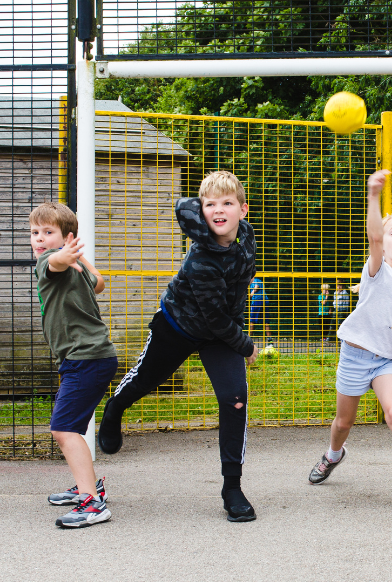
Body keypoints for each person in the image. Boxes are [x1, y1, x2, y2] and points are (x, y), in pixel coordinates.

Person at [96, 171, 261, 523]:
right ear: (201, 211)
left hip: (221, 333)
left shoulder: (246, 237)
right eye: (210, 204)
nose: (219, 210)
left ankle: (232, 486)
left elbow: (237, 294)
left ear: (243, 210)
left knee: (235, 398)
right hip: (179, 325)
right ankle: (114, 409)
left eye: (227, 203)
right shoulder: (201, 258)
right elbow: (214, 317)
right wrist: (246, 346)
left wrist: (237, 338)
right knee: (146, 381)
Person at [307, 169, 392, 513]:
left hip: (385, 361)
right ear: (384, 243)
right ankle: (333, 455)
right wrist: (374, 195)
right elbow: (373, 239)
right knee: (344, 422)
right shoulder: (376, 272)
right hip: (355, 355)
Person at [31, 202, 118, 528]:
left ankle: (92, 504)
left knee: (64, 429)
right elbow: (99, 282)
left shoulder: (48, 262)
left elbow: (52, 262)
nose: (40, 239)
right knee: (71, 427)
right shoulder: (76, 270)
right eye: (35, 232)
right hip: (89, 358)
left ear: (66, 237)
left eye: (48, 232)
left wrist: (65, 256)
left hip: (86, 360)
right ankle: (89, 486)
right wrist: (75, 258)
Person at [247, 277, 273, 341]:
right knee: (265, 321)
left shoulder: (254, 280)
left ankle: (248, 340)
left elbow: (257, 286)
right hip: (265, 300)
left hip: (257, 300)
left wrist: (252, 291)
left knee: (252, 321)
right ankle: (270, 341)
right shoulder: (260, 280)